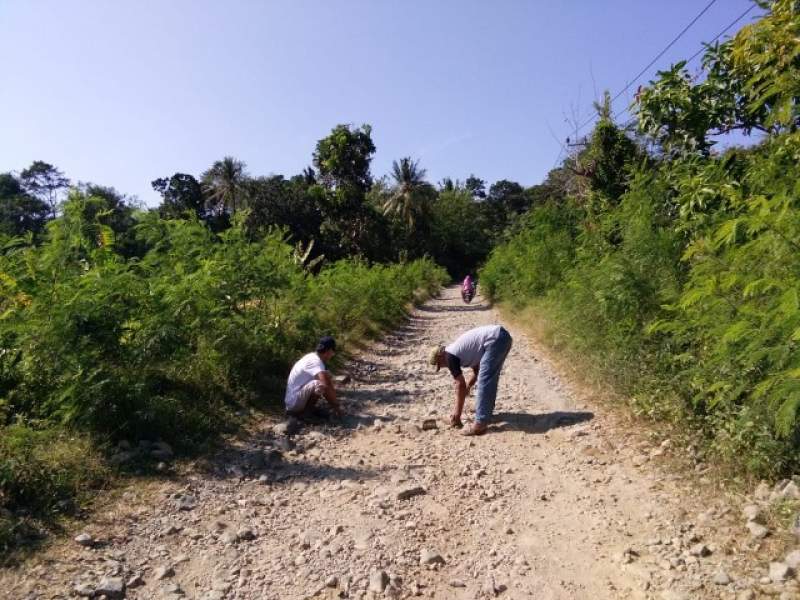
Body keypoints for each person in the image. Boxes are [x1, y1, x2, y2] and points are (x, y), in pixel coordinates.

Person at [428, 324, 513, 435]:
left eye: (440, 364)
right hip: (501, 337)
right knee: (490, 379)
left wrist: (457, 416)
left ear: (440, 356)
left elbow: (460, 385)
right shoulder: (460, 352)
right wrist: (469, 385)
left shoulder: (449, 356)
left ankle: (480, 424)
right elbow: (477, 372)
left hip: (495, 339)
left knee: (485, 380)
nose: (444, 366)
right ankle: (486, 414)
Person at [284, 336, 342, 419]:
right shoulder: (315, 361)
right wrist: (336, 407)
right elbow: (325, 385)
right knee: (320, 384)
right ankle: (306, 414)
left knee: (325, 376)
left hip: (293, 400)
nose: (332, 355)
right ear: (329, 351)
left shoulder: (312, 357)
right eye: (333, 352)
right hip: (294, 403)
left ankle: (306, 410)